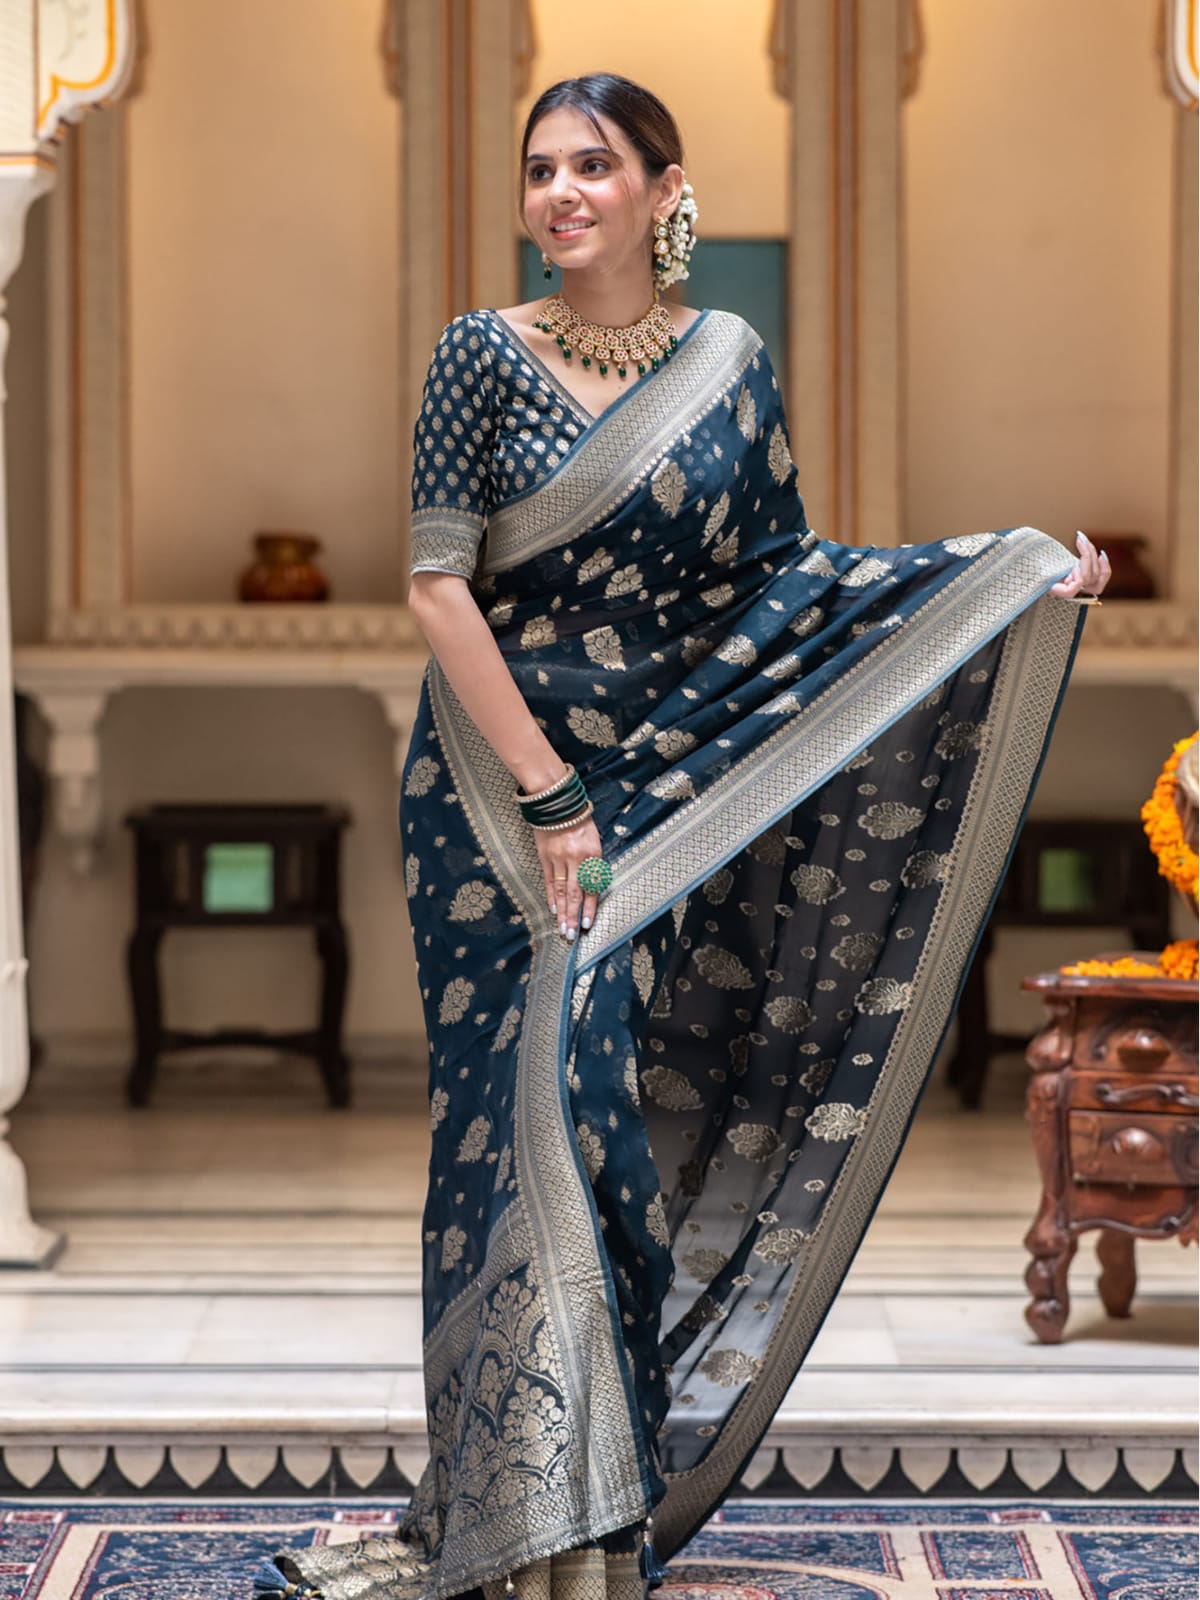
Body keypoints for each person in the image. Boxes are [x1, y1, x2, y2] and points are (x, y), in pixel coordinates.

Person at [255, 72, 1109, 1600]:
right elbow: (439, 587)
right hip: (499, 796)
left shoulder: (730, 363)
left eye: (596, 166)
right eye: (541, 170)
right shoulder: (478, 356)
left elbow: (782, 580)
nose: (563, 193)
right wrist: (549, 793)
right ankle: (505, 1516)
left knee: (610, 1128)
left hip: (663, 786)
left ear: (667, 190)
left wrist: (1003, 579)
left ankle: (589, 1518)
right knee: (514, 1125)